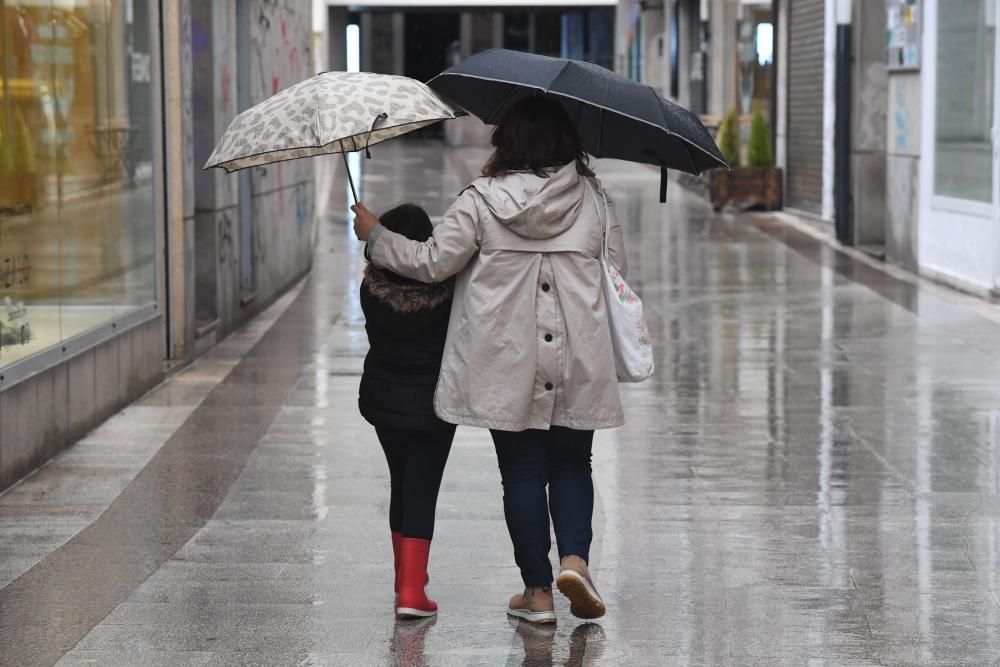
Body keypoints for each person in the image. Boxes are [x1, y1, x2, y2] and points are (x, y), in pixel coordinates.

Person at [352, 96, 628, 624]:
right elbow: (617, 275)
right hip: (579, 359)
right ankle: (574, 559)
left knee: (521, 472)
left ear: (509, 144)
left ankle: (538, 593)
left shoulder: (480, 201)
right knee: (573, 462)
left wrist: (377, 237)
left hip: (508, 361)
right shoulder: (594, 201)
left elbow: (432, 263)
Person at [358, 203, 457, 620]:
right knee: (422, 489)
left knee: (401, 482)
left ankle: (405, 578)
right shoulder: (447, 297)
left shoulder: (370, 293)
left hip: (385, 402)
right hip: (433, 404)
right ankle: (413, 590)